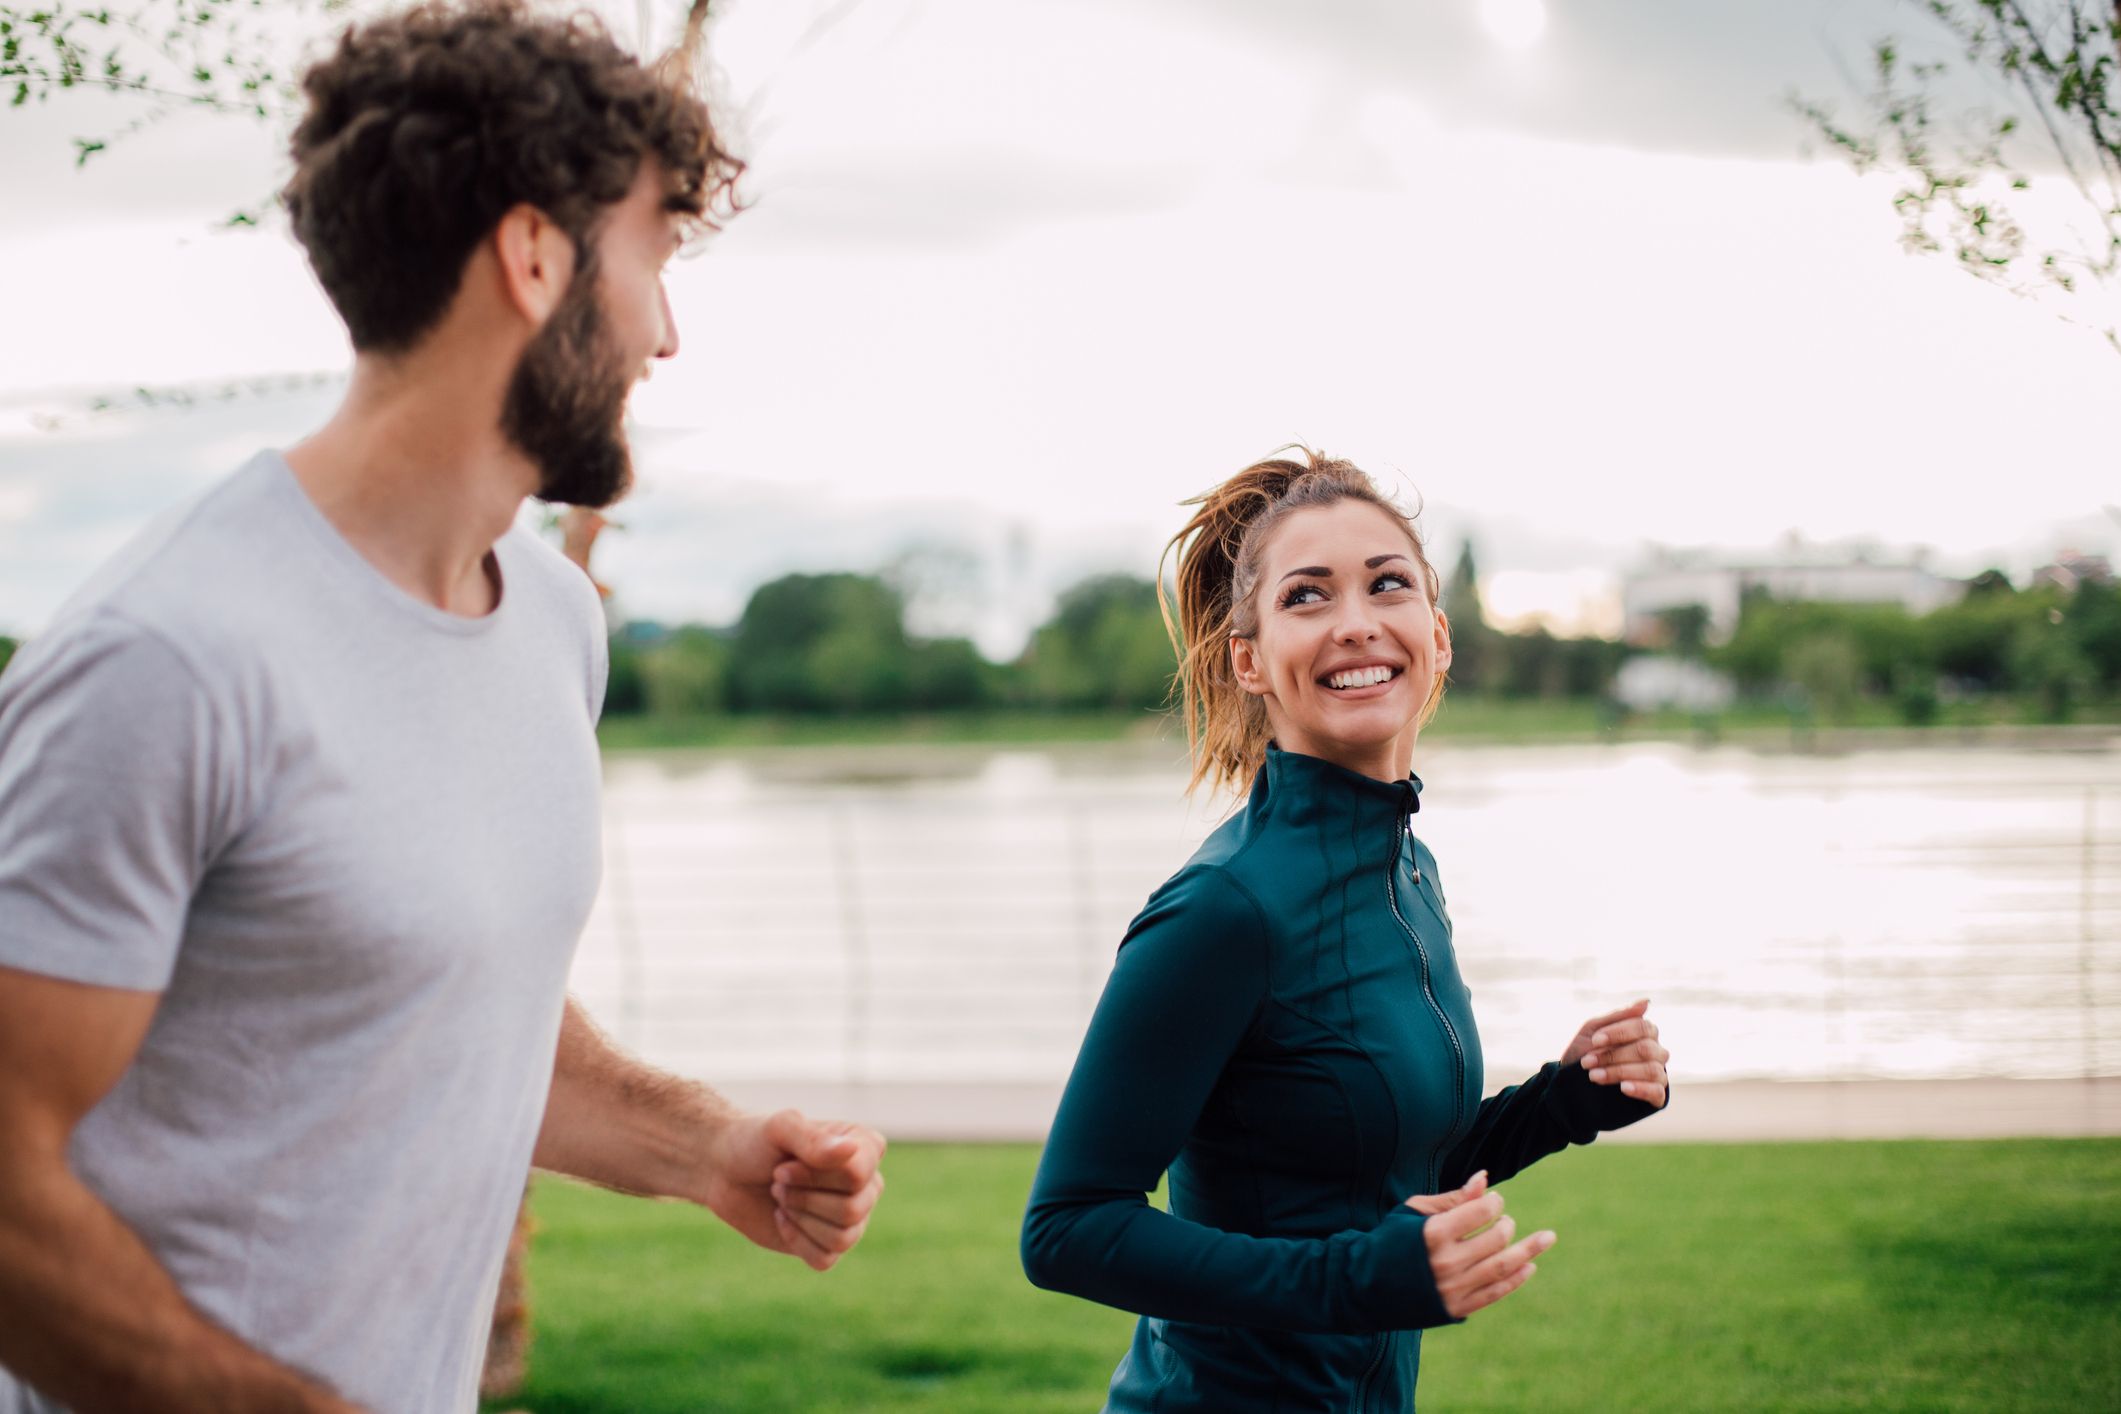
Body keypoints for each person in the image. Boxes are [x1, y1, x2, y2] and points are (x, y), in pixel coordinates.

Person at [0, 4, 883, 1411]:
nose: (666, 332)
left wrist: (700, 1144)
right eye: (654, 250)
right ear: (535, 257)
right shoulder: (168, 656)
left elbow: (438, 999)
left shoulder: (548, 621)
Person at [1020, 449, 1669, 1412]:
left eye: (1387, 584)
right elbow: (1067, 1229)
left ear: (1437, 637)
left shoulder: (1407, 869)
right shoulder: (1220, 910)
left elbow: (1376, 1172)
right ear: (1250, 660)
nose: (1356, 622)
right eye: (1307, 596)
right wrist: (1354, 1283)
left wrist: (1564, 1103)